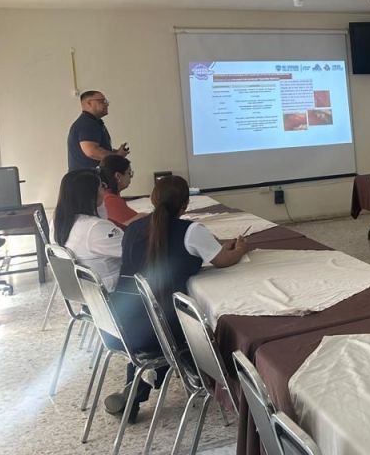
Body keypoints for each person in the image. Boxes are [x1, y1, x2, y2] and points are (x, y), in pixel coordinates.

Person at [103, 175, 249, 421]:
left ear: (152, 199)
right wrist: (241, 249)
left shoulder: (133, 229)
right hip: (160, 328)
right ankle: (203, 379)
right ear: (185, 205)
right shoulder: (190, 231)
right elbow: (224, 261)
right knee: (204, 323)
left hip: (121, 322)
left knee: (157, 318)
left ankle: (136, 392)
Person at [52, 169, 123, 292]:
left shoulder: (57, 222)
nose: (104, 191)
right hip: (115, 291)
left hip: (87, 293)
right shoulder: (95, 228)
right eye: (101, 186)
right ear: (91, 194)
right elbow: (132, 250)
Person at [67, 90, 129, 171]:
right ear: (89, 103)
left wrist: (115, 153)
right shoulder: (88, 123)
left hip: (86, 175)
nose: (107, 104)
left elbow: (94, 149)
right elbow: (92, 151)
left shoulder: (91, 122)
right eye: (102, 101)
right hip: (87, 176)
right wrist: (117, 156)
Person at [99, 156, 142, 228]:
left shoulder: (106, 194)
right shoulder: (110, 200)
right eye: (129, 173)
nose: (131, 177)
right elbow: (134, 225)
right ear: (118, 176)